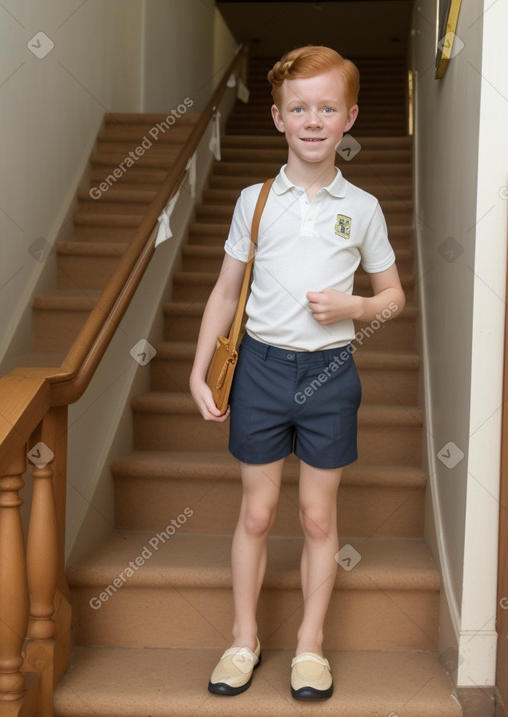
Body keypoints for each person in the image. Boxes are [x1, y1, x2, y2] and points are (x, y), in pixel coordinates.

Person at [189, 45, 405, 700]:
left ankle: (310, 645)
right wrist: (200, 372)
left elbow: (394, 295)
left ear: (350, 117)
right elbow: (225, 293)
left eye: (327, 108)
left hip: (331, 373)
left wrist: (356, 304)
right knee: (256, 513)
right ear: (279, 117)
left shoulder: (362, 207)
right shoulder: (254, 202)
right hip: (259, 369)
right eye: (299, 108)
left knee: (316, 516)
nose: (314, 120)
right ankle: (243, 637)